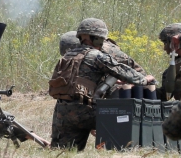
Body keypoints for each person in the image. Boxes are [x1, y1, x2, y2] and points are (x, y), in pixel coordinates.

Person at [48, 18, 155, 150]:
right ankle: (115, 149)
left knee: (63, 152)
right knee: (122, 118)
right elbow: (122, 71)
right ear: (97, 39)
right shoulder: (96, 56)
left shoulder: (67, 56)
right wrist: (145, 79)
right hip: (87, 111)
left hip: (63, 113)